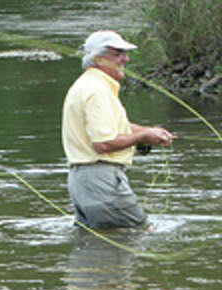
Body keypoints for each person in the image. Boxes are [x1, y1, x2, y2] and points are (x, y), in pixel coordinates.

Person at [62, 30, 174, 229]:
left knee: (99, 244)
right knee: (141, 233)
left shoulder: (86, 85)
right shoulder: (97, 90)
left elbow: (113, 126)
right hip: (100, 181)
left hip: (82, 182)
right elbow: (102, 143)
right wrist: (145, 135)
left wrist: (148, 132)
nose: (125, 58)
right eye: (117, 53)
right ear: (98, 59)